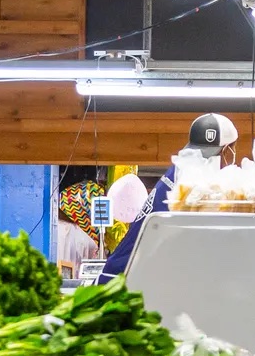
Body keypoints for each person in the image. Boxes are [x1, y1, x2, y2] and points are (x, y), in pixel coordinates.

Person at [98, 112, 238, 281]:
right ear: (226, 151)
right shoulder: (192, 185)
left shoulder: (180, 172)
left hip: (124, 275)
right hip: (123, 281)